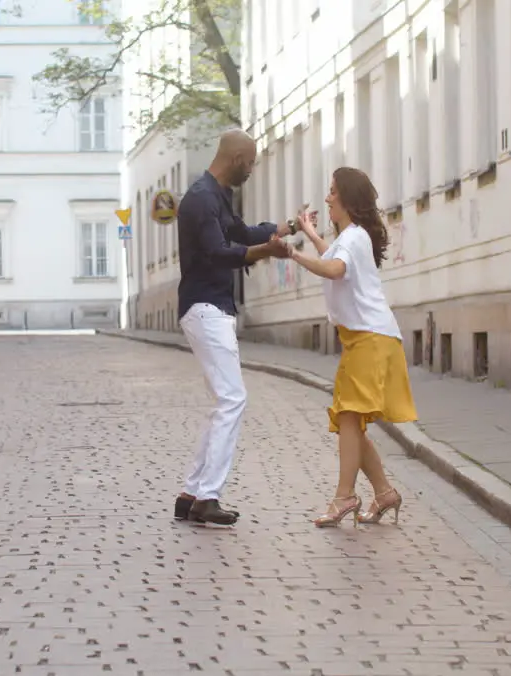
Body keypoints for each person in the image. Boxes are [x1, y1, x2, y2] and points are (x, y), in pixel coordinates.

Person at [174, 129, 300, 526]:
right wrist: (268, 251)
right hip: (206, 307)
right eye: (252, 162)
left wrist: (289, 226)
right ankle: (206, 497)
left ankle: (192, 492)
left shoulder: (217, 196)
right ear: (237, 160)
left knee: (222, 402)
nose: (252, 169)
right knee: (232, 399)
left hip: (211, 308)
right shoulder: (201, 199)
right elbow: (218, 252)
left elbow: (242, 234)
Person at [283, 167, 418, 528]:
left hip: (371, 338)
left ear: (346, 198)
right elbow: (332, 257)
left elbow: (334, 270)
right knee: (349, 421)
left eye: (331, 192)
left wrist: (293, 255)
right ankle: (384, 492)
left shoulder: (355, 238)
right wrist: (309, 233)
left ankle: (344, 497)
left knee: (348, 418)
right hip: (363, 338)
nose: (326, 199)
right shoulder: (351, 237)